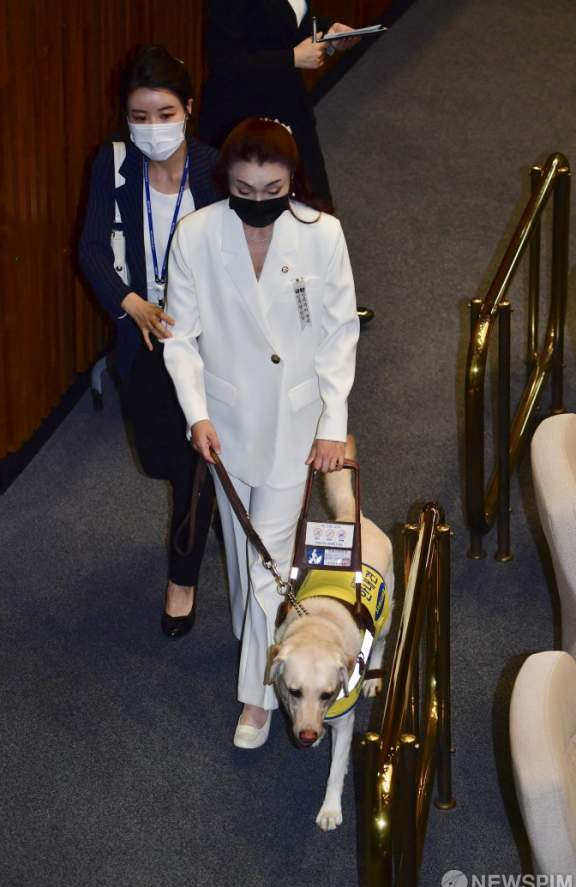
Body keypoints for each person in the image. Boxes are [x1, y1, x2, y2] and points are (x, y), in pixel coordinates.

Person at [163, 118, 359, 747]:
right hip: (224, 425)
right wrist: (196, 413)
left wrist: (333, 425)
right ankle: (258, 641)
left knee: (267, 563)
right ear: (227, 180)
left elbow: (339, 335)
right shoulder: (196, 235)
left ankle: (256, 699)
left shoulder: (322, 234)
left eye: (272, 189)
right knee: (243, 552)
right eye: (244, 189)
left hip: (293, 424)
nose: (257, 201)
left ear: (291, 181)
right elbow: (180, 339)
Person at [79, 46, 223, 638]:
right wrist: (130, 301)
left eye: (165, 114)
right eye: (140, 116)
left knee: (195, 460)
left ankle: (181, 580)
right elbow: (91, 250)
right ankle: (211, 510)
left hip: (209, 343)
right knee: (161, 458)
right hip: (141, 337)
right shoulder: (114, 165)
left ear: (188, 109)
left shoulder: (214, 169)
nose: (153, 128)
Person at [198, 0, 373, 324]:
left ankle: (328, 306)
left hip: (289, 103)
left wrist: (328, 34)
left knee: (314, 205)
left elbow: (289, 25)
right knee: (253, 222)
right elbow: (223, 62)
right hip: (243, 119)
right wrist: (292, 58)